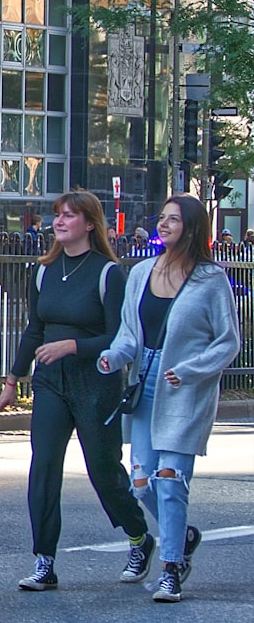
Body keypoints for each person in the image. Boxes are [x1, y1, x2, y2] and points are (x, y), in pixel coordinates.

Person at [0, 189, 151, 592]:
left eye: (69, 216)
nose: (59, 222)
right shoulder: (44, 271)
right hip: (50, 384)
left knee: (103, 471)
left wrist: (74, 346)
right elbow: (35, 329)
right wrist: (13, 378)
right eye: (57, 215)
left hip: (95, 384)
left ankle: (138, 536)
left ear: (90, 224)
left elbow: (120, 336)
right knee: (44, 468)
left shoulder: (107, 274)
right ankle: (44, 562)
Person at [98, 194, 240, 603]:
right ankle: (185, 535)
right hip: (145, 384)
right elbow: (129, 333)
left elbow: (228, 341)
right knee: (142, 485)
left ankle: (171, 568)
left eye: (173, 219)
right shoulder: (142, 273)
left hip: (184, 389)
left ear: (192, 228)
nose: (163, 224)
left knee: (170, 481)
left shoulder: (210, 279)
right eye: (161, 218)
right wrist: (114, 357)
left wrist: (193, 369)